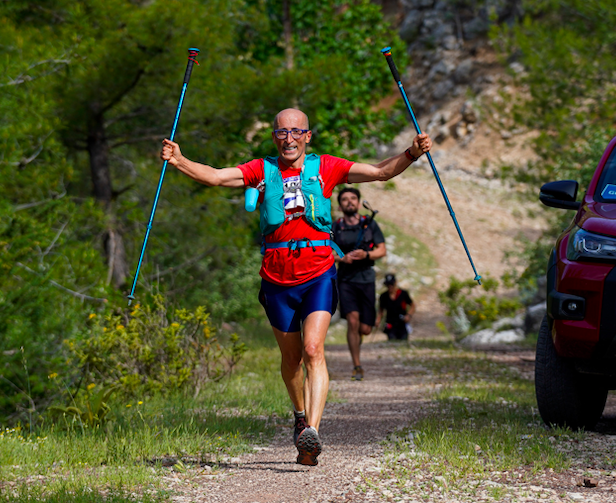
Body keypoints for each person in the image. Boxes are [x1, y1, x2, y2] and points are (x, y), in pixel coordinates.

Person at [159, 108, 430, 466]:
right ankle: (300, 414)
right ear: (274, 137)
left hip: (318, 272)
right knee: (292, 359)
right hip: (276, 278)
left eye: (295, 132)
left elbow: (380, 172)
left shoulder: (327, 167)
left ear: (307, 136)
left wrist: (411, 153)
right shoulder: (261, 169)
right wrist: (179, 160)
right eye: (281, 133)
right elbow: (216, 177)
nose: (288, 138)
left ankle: (311, 435)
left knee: (314, 348)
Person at [332, 187, 386, 381]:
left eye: (353, 198)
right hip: (345, 279)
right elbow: (326, 252)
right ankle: (357, 365)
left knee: (364, 328)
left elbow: (382, 250)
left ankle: (357, 341)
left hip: (366, 279)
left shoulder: (369, 224)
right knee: (352, 321)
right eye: (345, 199)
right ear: (340, 205)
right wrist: (341, 259)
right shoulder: (335, 227)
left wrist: (367, 255)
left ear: (359, 202)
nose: (349, 202)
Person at [376, 273, 415, 341]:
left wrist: (408, 315)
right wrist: (378, 320)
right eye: (388, 285)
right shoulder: (383, 296)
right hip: (390, 324)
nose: (390, 286)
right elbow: (381, 310)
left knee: (403, 340)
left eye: (391, 284)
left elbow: (412, 305)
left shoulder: (403, 293)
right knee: (392, 340)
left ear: (395, 283)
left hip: (402, 323)